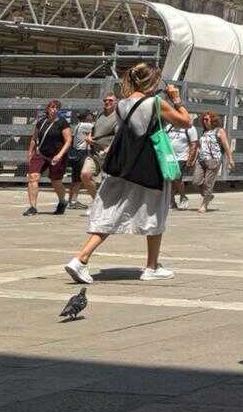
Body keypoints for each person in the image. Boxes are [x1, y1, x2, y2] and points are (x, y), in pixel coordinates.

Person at [64, 66, 192, 283]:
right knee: (155, 212)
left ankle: (81, 258)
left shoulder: (122, 104)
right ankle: (151, 267)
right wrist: (177, 100)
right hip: (149, 166)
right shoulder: (155, 103)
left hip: (124, 164)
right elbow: (185, 121)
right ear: (152, 82)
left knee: (110, 212)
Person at [25, 99, 72, 216]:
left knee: (56, 181)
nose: (54, 110)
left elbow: (68, 140)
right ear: (48, 109)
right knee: (33, 177)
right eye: (52, 107)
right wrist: (30, 153)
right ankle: (32, 207)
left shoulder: (62, 123)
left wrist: (59, 155)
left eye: (57, 108)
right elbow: (34, 138)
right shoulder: (41, 122)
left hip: (56, 155)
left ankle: (62, 201)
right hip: (41, 154)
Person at [192, 111, 233, 212]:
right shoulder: (204, 132)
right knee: (196, 182)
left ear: (213, 120)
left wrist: (230, 159)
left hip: (213, 160)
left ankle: (204, 204)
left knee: (208, 183)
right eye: (203, 119)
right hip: (201, 160)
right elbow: (199, 147)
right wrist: (194, 159)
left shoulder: (219, 131)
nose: (204, 121)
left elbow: (226, 145)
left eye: (207, 119)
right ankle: (208, 195)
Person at [164, 98, 198, 210]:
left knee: (176, 178)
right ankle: (172, 201)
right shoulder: (169, 126)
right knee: (170, 179)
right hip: (169, 157)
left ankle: (183, 197)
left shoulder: (190, 128)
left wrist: (190, 159)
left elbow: (194, 144)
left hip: (182, 157)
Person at [83, 93, 118, 199]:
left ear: (116, 102)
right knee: (85, 174)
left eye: (110, 100)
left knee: (107, 183)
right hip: (94, 153)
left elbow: (118, 136)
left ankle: (105, 204)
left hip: (108, 156)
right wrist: (89, 137)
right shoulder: (100, 115)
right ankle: (96, 201)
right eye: (105, 100)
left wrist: (108, 149)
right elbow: (93, 129)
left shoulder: (118, 117)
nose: (107, 102)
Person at [68, 110, 95, 210]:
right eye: (89, 115)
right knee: (78, 180)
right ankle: (73, 201)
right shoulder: (86, 125)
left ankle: (71, 200)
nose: (91, 116)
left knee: (75, 179)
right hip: (82, 153)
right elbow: (98, 127)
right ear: (85, 117)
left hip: (76, 152)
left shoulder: (79, 125)